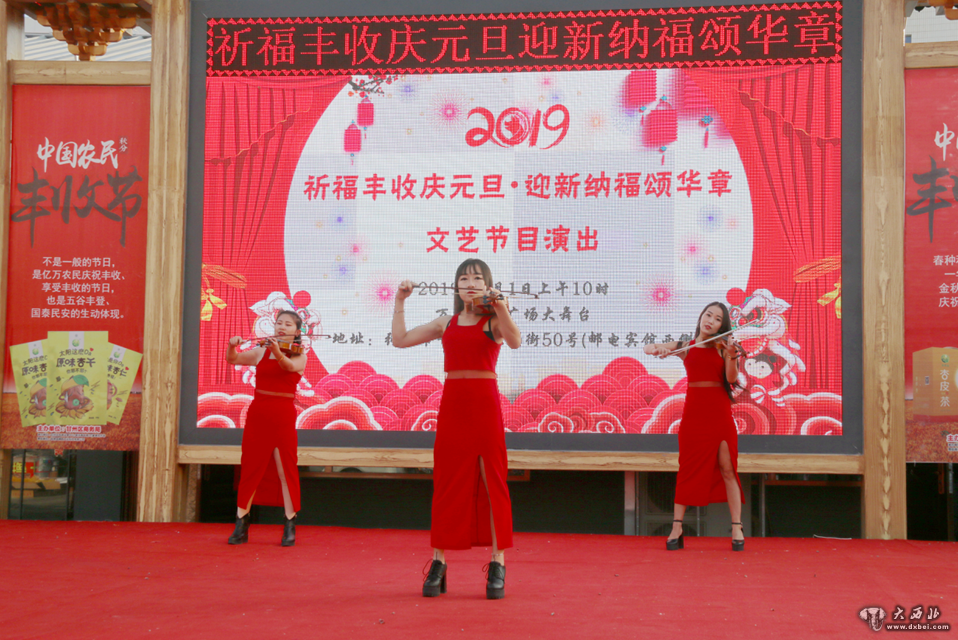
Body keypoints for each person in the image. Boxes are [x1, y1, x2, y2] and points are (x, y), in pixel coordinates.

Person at [393, 259, 521, 599]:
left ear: (487, 285)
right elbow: (400, 340)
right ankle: (439, 562)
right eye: (464, 278)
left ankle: (498, 563)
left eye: (477, 278)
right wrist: (400, 300)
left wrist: (502, 307)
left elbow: (515, 341)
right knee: (447, 481)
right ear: (456, 286)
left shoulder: (493, 322)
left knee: (492, 480)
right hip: (452, 406)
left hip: (485, 406)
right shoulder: (445, 322)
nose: (470, 283)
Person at [644, 302, 746, 552]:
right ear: (701, 317)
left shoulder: (724, 348)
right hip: (693, 416)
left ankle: (737, 527)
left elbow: (731, 378)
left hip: (719, 414)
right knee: (687, 468)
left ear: (722, 326)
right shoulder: (685, 346)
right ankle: (677, 527)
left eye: (718, 319)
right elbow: (648, 348)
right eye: (708, 315)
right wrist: (658, 349)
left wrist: (732, 354)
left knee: (728, 469)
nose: (711, 320)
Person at [225, 310, 307, 547]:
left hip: (282, 414)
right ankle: (241, 522)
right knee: (250, 466)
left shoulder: (300, 355)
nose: (282, 327)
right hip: (258, 412)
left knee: (285, 468)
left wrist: (277, 351)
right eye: (279, 323)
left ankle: (289, 522)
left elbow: (289, 367)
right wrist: (232, 346)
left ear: (297, 331)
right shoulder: (261, 350)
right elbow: (233, 359)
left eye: (288, 324)